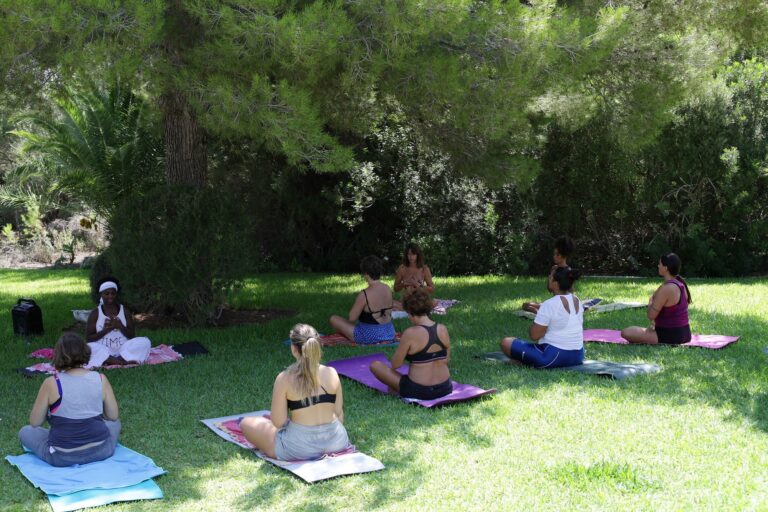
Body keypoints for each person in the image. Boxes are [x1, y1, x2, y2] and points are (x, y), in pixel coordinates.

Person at [241, 324, 349, 460]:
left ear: (293, 348)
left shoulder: (284, 378)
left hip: (299, 448)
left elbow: (278, 422)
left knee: (246, 423)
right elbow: (339, 414)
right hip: (337, 441)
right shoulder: (331, 372)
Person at [18, 333, 121, 467]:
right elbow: (113, 416)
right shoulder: (100, 378)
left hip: (62, 457)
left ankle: (66, 435)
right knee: (115, 424)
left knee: (25, 431)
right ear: (85, 352)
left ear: (58, 355)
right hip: (101, 450)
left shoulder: (51, 383)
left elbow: (35, 422)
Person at [370, 289, 453, 399]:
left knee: (375, 365)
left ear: (409, 312)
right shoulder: (443, 329)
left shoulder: (410, 333)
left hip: (419, 391)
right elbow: (446, 359)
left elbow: (396, 365)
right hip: (445, 388)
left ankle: (397, 391)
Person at [502, 267, 585, 368]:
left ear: (556, 284)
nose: (548, 279)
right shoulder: (577, 300)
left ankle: (523, 362)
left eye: (550, 277)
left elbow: (534, 335)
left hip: (552, 357)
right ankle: (523, 361)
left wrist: (538, 318)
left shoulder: (550, 304)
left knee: (506, 342)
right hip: (578, 356)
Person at [621, 253, 692, 344]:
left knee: (626, 332)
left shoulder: (666, 288)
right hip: (685, 333)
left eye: (660, 264)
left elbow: (651, 315)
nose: (658, 266)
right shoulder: (681, 284)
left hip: (670, 335)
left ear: (665, 268)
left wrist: (650, 302)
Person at [329, 256, 396, 344]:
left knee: (334, 319)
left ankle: (350, 335)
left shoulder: (365, 294)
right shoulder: (387, 288)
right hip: (389, 332)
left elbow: (351, 318)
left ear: (365, 273)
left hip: (369, 336)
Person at [86, 278, 151, 367]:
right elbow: (89, 339)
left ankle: (115, 360)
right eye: (107, 293)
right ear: (101, 295)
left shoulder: (124, 311)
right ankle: (117, 360)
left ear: (116, 294)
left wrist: (120, 326)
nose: (110, 296)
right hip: (103, 348)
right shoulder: (95, 313)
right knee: (87, 347)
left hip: (123, 348)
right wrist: (107, 329)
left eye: (113, 293)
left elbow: (131, 335)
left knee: (145, 341)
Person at [522, 235, 574, 314]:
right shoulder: (554, 269)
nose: (554, 257)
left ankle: (541, 313)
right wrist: (551, 275)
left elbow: (571, 291)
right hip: (554, 302)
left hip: (563, 304)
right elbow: (549, 289)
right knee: (526, 305)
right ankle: (541, 312)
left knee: (531, 306)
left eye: (557, 255)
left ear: (563, 256)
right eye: (554, 254)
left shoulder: (569, 271)